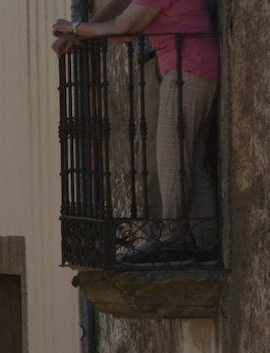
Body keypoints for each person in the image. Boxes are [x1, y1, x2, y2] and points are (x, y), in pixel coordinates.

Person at [52, 0, 220, 263]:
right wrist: (78, 32)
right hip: (190, 69)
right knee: (191, 161)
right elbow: (124, 18)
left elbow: (123, 28)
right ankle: (206, 241)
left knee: (170, 159)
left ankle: (172, 242)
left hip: (187, 70)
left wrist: (73, 26)